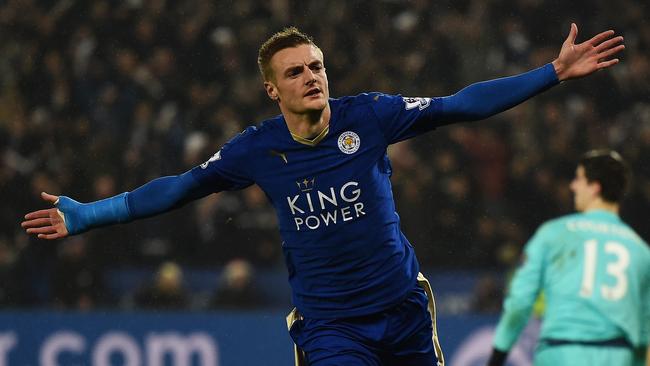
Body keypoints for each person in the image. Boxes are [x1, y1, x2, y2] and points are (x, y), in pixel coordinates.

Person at [22, 24, 624, 366]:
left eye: (316, 66)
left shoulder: (369, 115)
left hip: (405, 314)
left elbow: (458, 105)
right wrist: (89, 215)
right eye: (295, 72)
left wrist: (551, 72)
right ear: (271, 89)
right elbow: (177, 189)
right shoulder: (254, 150)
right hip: (332, 329)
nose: (311, 77)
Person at [487, 150, 650, 366]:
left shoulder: (553, 234)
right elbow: (644, 330)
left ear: (595, 187)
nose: (573, 186)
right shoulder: (640, 250)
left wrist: (498, 355)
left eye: (579, 179)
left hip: (561, 352)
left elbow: (520, 301)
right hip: (618, 355)